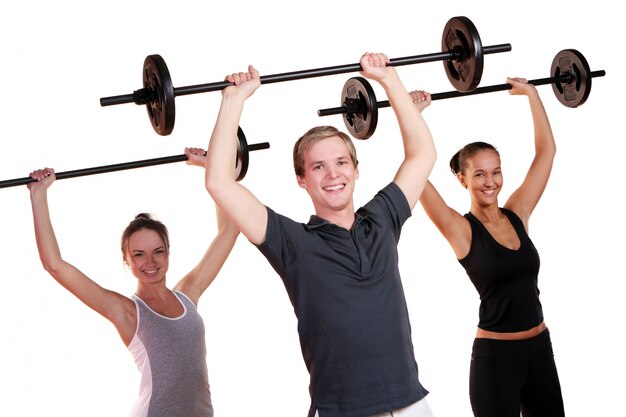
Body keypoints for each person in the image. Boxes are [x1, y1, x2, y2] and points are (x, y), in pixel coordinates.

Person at [204, 52, 437, 417]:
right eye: (318, 166)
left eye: (341, 162)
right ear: (301, 179)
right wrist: (234, 100)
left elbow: (422, 154)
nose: (333, 175)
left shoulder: (381, 218)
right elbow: (219, 182)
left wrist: (389, 80)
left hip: (411, 403)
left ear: (356, 170)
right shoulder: (292, 242)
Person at [27, 147, 239, 417]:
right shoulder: (128, 312)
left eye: (157, 252)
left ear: (168, 253)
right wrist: (38, 195)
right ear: (127, 260)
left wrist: (214, 171)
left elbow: (229, 231)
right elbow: (54, 265)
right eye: (138, 254)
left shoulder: (189, 293)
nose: (150, 262)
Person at [416, 78, 565, 417]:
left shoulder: (518, 213)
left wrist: (532, 94)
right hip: (497, 360)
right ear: (462, 179)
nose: (490, 182)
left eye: (496, 172)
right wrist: (413, 117)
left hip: (540, 350)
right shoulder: (461, 230)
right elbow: (416, 172)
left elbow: (547, 153)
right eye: (480, 174)